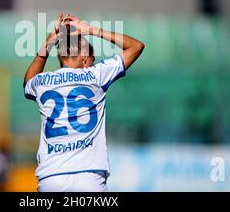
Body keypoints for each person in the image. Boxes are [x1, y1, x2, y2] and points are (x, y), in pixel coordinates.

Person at [23, 13, 145, 192]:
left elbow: (27, 83)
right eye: (93, 60)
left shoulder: (43, 82)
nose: (93, 64)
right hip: (89, 176)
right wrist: (91, 30)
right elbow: (136, 46)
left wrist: (48, 42)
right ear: (85, 58)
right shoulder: (96, 75)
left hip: (51, 176)